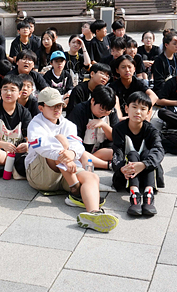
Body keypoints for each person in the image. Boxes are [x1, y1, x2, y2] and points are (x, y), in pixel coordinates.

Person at [25, 87, 117, 233]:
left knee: (92, 177)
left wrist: (72, 154)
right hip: (41, 176)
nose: (57, 109)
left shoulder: (67, 124)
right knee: (58, 146)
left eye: (60, 105)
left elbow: (78, 145)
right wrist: (65, 154)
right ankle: (75, 190)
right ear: (41, 107)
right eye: (52, 106)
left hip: (66, 174)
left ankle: (93, 213)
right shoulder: (35, 124)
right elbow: (41, 146)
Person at [112, 91, 164, 217]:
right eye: (134, 107)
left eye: (143, 109)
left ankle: (148, 194)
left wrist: (144, 164)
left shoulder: (151, 130)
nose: (138, 112)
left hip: (148, 172)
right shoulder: (118, 129)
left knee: (148, 153)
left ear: (149, 112)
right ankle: (134, 194)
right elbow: (117, 153)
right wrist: (121, 168)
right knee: (132, 154)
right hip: (126, 174)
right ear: (126, 108)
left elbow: (159, 150)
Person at [0, 74, 33, 179]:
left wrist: (27, 145)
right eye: (5, 89)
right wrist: (3, 145)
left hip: (18, 152)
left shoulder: (24, 113)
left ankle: (3, 170)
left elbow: (30, 137)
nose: (8, 93)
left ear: (19, 94)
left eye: (13, 90)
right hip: (0, 152)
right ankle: (16, 168)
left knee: (33, 152)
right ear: (1, 91)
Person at [65, 85, 116, 170]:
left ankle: (92, 160)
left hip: (102, 149)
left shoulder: (111, 112)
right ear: (92, 101)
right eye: (101, 109)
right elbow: (73, 139)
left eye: (108, 111)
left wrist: (103, 125)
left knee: (114, 152)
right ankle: (107, 165)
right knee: (80, 154)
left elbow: (114, 137)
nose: (104, 113)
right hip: (83, 149)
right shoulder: (80, 110)